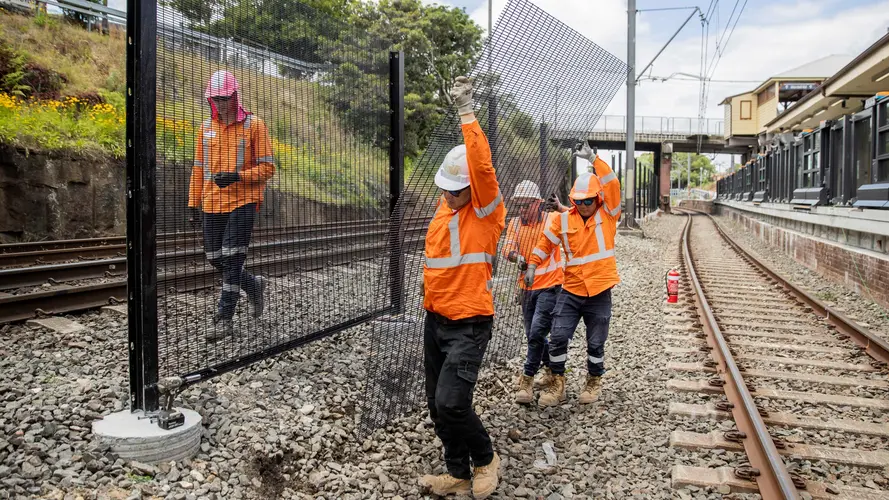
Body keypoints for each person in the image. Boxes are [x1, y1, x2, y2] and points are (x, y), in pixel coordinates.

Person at [418, 76, 504, 499]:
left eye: (458, 191)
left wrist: (467, 113)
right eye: (445, 190)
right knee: (437, 404)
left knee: (453, 402)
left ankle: (486, 460)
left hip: (469, 323)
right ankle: (457, 471)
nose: (449, 197)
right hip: (436, 320)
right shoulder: (444, 209)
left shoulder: (486, 211)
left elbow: (482, 166)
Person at [524, 142, 621, 407]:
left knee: (596, 342)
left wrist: (594, 158)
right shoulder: (564, 220)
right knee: (558, 337)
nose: (584, 205)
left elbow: (612, 183)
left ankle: (593, 380)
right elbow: (545, 244)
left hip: (600, 289)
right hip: (572, 289)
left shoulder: (609, 214)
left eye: (588, 200)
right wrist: (533, 264)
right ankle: (558, 384)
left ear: (598, 198)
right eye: (578, 201)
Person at [187, 70, 275, 340]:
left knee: (233, 257)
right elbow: (198, 168)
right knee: (216, 258)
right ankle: (253, 285)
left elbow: (268, 168)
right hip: (212, 203)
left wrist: (238, 176)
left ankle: (223, 318)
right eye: (216, 98)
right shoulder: (205, 129)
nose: (221, 103)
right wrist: (193, 202)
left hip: (243, 201)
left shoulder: (254, 125)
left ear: (235, 96)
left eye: (225, 97)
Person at [500, 180, 563, 404]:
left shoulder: (551, 220)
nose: (522, 210)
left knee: (536, 333)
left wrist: (562, 207)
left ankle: (527, 378)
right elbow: (507, 248)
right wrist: (516, 257)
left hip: (549, 285)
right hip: (526, 288)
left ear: (537, 203)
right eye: (519, 206)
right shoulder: (515, 224)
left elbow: (572, 220)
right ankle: (552, 371)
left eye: (526, 205)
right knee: (532, 335)